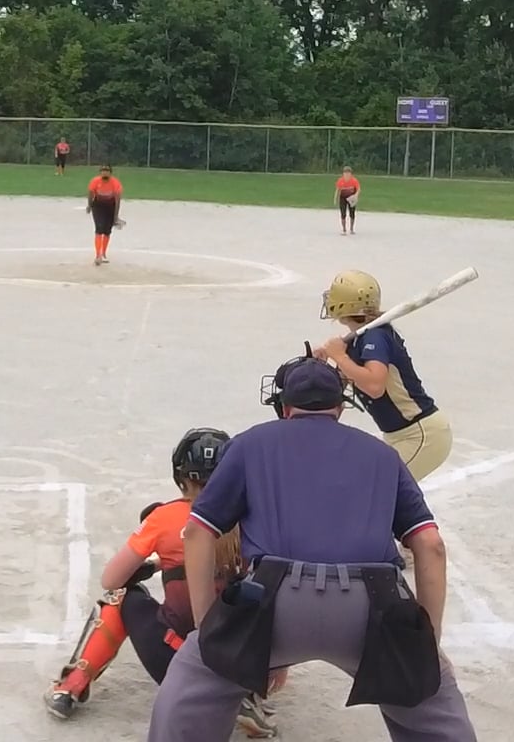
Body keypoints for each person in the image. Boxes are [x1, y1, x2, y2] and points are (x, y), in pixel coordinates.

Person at [144, 356, 478, 742]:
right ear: (340, 407)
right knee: (432, 700)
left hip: (274, 601)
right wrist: (426, 645)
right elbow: (431, 545)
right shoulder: (382, 454)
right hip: (372, 604)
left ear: (285, 407)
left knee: (193, 685)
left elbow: (198, 531)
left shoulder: (251, 443)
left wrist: (208, 630)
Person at [45, 428, 278, 737]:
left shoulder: (166, 517)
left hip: (183, 659)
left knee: (121, 595)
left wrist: (160, 562)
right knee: (259, 593)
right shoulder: (256, 515)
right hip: (246, 660)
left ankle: (70, 687)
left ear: (182, 477)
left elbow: (111, 578)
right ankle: (244, 694)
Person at [312, 270, 453, 479]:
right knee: (376, 490)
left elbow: (375, 386)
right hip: (398, 435)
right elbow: (340, 387)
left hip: (420, 434)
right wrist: (324, 364)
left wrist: (339, 356)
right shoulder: (357, 341)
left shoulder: (375, 337)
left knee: (375, 488)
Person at [87, 164, 124, 265]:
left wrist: (115, 216)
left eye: (107, 170)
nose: (104, 172)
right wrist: (89, 206)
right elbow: (91, 193)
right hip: (98, 206)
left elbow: (117, 200)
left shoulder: (115, 183)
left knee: (107, 231)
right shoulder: (95, 181)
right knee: (99, 228)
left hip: (110, 206)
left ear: (110, 173)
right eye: (103, 170)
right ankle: (98, 255)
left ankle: (103, 253)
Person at [334, 166, 361, 235]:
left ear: (351, 174)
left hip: (351, 198)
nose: (347, 174)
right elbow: (337, 190)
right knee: (343, 214)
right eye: (345, 173)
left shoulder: (354, 180)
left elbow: (358, 189)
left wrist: (356, 195)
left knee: (352, 214)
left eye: (348, 173)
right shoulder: (340, 180)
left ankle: (351, 229)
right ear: (343, 174)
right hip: (343, 198)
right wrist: (335, 198)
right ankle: (344, 229)